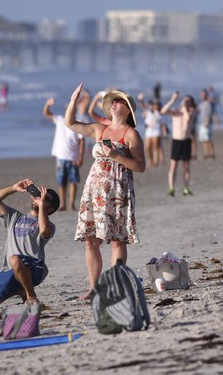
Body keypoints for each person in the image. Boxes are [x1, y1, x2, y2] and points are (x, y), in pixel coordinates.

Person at [64, 84, 146, 301]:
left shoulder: (131, 134)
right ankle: (94, 287)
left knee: (118, 240)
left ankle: (115, 285)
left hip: (118, 189)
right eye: (113, 101)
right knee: (91, 239)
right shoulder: (100, 129)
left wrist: (116, 156)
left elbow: (140, 166)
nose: (114, 103)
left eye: (119, 101)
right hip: (95, 189)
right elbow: (70, 123)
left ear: (128, 110)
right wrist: (73, 101)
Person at [0, 179, 59, 308]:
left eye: (45, 199)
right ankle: (19, 289)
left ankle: (31, 296)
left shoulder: (49, 225)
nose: (40, 198)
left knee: (14, 259)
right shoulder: (15, 217)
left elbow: (44, 231)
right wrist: (14, 188)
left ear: (51, 209)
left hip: (35, 268)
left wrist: (41, 205)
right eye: (39, 195)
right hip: (10, 270)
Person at [43, 97, 85, 211]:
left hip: (73, 158)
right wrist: (48, 104)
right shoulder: (60, 120)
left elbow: (82, 141)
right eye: (67, 109)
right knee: (61, 182)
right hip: (61, 157)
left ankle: (71, 204)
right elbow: (46, 113)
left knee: (73, 181)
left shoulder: (78, 123)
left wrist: (80, 157)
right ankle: (63, 204)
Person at [161, 91, 196, 196]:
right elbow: (163, 111)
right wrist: (173, 99)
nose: (186, 103)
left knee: (186, 166)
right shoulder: (176, 112)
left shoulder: (191, 112)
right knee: (173, 166)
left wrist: (185, 105)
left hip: (186, 140)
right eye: (184, 100)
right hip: (176, 141)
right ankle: (171, 188)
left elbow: (187, 120)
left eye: (188, 101)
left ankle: (186, 187)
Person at [137, 94, 165, 167]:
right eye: (152, 105)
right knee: (147, 148)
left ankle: (156, 162)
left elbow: (163, 124)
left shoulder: (159, 113)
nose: (154, 106)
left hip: (156, 131)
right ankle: (150, 160)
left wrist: (164, 132)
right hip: (148, 132)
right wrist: (140, 100)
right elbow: (143, 106)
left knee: (155, 147)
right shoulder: (148, 111)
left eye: (155, 105)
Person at [197, 88, 216, 160]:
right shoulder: (201, 104)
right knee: (203, 140)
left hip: (207, 124)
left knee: (208, 139)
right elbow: (197, 111)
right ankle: (206, 154)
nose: (202, 95)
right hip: (201, 123)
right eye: (201, 94)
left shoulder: (208, 103)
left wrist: (207, 122)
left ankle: (212, 154)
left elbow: (209, 113)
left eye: (204, 94)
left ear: (206, 95)